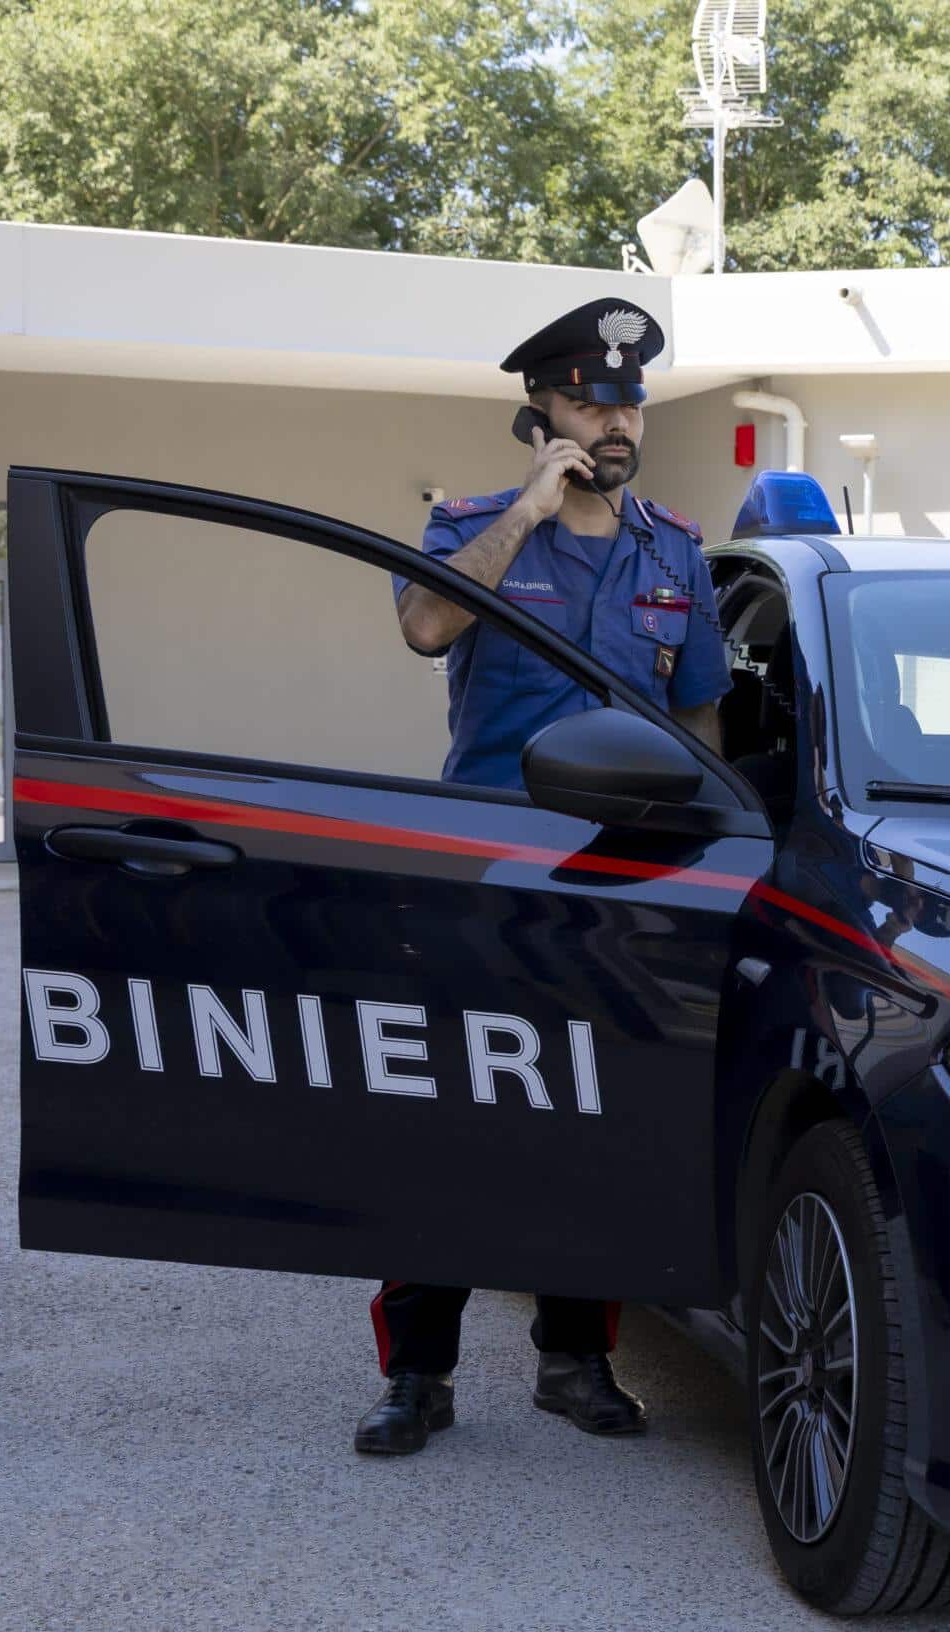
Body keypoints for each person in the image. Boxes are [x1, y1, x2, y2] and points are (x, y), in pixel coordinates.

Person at [353, 296, 732, 1457]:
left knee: (596, 1124)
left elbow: (700, 723)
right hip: (484, 880)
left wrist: (707, 873)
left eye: (627, 401)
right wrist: (526, 508)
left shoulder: (676, 554)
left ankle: (575, 1359)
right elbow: (423, 629)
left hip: (618, 888)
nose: (612, 420)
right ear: (540, 412)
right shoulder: (470, 527)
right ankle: (418, 1375)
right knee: (448, 1126)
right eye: (586, 400)